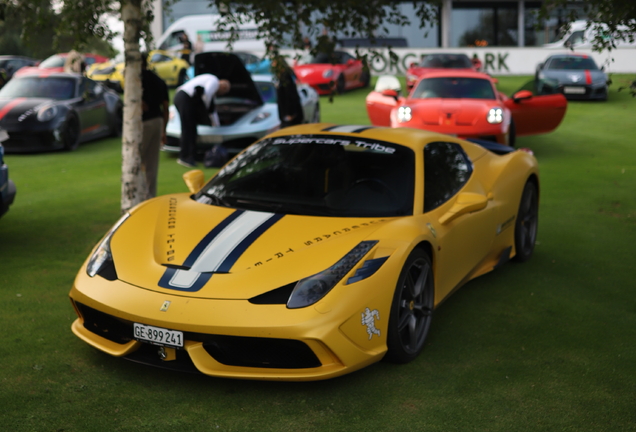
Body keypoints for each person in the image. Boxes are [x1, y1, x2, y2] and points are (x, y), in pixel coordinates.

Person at [173, 74, 231, 168]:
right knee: (187, 128)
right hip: (184, 97)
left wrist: (216, 125)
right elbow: (206, 95)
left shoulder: (211, 84)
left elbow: (213, 110)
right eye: (223, 92)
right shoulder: (214, 81)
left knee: (192, 128)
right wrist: (205, 111)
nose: (221, 94)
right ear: (223, 87)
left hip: (186, 98)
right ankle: (184, 157)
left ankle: (192, 154)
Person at [140, 54, 170, 198]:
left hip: (143, 123)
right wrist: (164, 130)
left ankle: (136, 194)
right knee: (152, 162)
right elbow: (165, 107)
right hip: (157, 121)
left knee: (137, 159)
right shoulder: (158, 80)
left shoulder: (137, 79)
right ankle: (150, 195)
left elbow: (139, 105)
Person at [273, 57, 303, 128]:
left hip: (290, 115)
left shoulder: (286, 77)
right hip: (286, 113)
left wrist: (291, 113)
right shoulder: (282, 76)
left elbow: (290, 95)